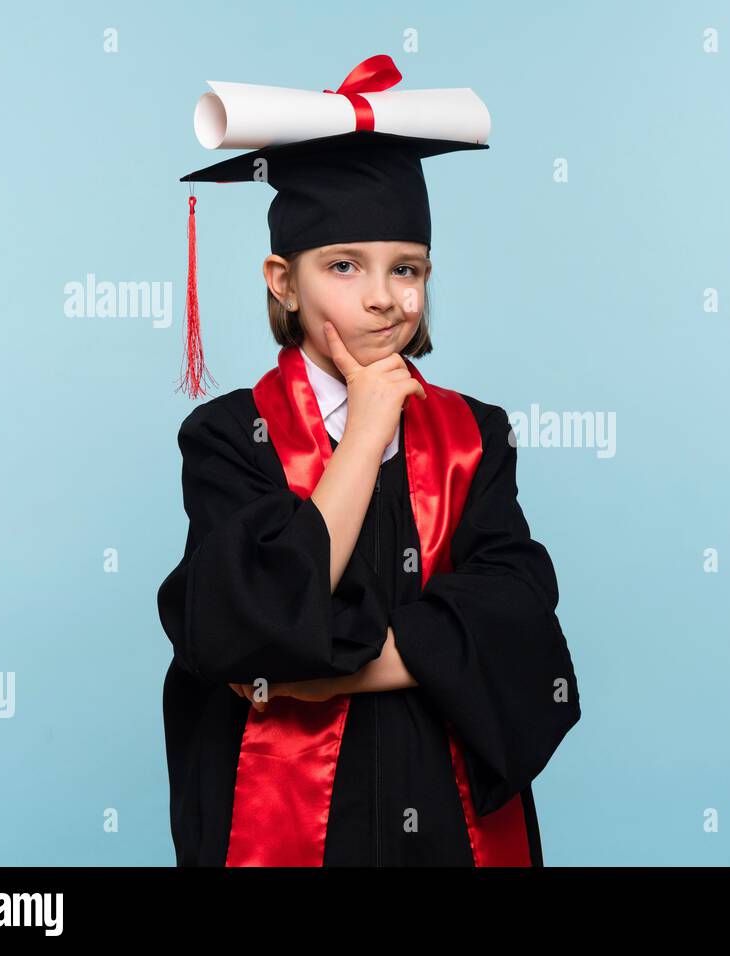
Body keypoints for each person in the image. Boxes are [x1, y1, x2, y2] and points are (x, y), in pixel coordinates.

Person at [156, 118, 581, 866]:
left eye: (407, 269)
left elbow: (518, 621)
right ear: (283, 281)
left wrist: (331, 674)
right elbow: (241, 630)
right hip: (286, 803)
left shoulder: (474, 436)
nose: (385, 298)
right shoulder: (229, 437)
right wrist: (366, 429)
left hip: (448, 808)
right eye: (344, 267)